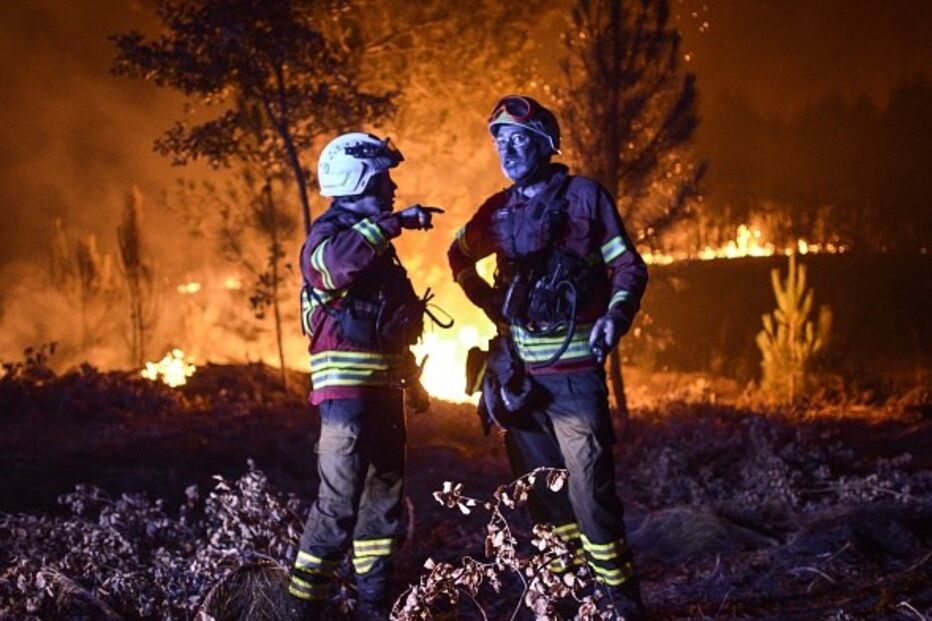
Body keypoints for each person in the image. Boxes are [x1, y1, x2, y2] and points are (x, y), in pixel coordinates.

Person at [448, 96, 649, 618]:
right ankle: (565, 605)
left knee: (592, 501)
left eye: (518, 139)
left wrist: (614, 317)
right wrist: (486, 300)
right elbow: (459, 255)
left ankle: (621, 607)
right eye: (499, 140)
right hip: (518, 384)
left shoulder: (585, 198)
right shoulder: (496, 211)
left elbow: (628, 268)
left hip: (576, 382)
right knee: (545, 506)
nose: (507, 150)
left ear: (544, 143)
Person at [288, 132, 440, 621]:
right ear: (355, 179)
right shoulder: (330, 235)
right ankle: (301, 612)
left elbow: (388, 324)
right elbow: (331, 269)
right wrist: (391, 225)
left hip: (383, 396)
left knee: (381, 515)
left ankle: (373, 609)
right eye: (382, 179)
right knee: (336, 513)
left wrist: (411, 381)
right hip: (346, 402)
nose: (392, 187)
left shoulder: (374, 244)